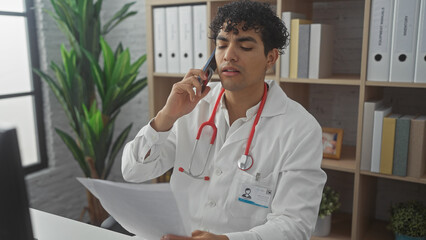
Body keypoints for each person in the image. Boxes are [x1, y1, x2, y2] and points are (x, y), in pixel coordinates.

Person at [122, 1, 327, 239]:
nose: (229, 55)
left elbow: (295, 226)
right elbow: (133, 171)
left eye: (245, 47)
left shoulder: (300, 129)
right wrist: (167, 116)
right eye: (221, 45)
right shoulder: (191, 108)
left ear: (270, 58)